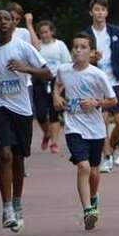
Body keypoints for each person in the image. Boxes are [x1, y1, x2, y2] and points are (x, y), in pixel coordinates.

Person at [0, 9, 51, 233]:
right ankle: (6, 208)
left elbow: (48, 73)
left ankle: (17, 202)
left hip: (21, 108)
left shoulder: (22, 47)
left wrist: (26, 68)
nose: (2, 22)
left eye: (6, 19)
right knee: (4, 154)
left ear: (13, 24)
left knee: (18, 158)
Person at [54, 32, 117, 230]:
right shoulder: (63, 70)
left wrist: (96, 102)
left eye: (83, 47)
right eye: (76, 47)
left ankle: (93, 196)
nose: (78, 50)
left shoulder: (97, 74)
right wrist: (56, 96)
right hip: (73, 127)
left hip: (95, 129)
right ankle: (88, 210)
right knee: (83, 167)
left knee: (94, 172)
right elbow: (57, 84)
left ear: (91, 52)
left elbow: (113, 100)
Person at [85, 0, 119, 173]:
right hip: (95, 84)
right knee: (102, 121)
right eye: (96, 9)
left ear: (107, 12)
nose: (100, 13)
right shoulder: (86, 34)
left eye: (103, 10)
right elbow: (79, 58)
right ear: (91, 12)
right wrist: (91, 58)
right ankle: (106, 157)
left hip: (114, 82)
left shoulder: (116, 32)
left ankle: (112, 146)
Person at [34, 20, 71, 153]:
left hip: (57, 80)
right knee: (40, 114)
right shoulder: (37, 47)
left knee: (54, 112)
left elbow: (67, 64)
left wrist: (63, 84)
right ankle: (47, 133)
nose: (44, 35)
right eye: (41, 33)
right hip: (40, 81)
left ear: (52, 32)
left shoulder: (60, 45)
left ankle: (54, 142)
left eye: (46, 32)